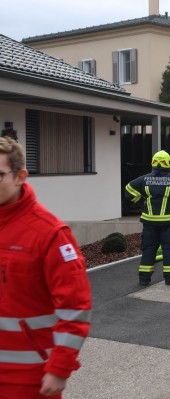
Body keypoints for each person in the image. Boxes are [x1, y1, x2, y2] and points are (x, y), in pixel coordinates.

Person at [0, 136, 92, 398]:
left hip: (28, 378)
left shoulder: (49, 234)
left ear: (21, 176)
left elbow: (75, 307)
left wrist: (60, 368)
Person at [124, 150, 170, 286]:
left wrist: (141, 200)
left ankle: (144, 279)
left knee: (149, 249)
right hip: (169, 221)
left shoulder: (144, 179)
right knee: (169, 249)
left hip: (150, 222)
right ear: (168, 163)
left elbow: (128, 190)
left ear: (153, 163)